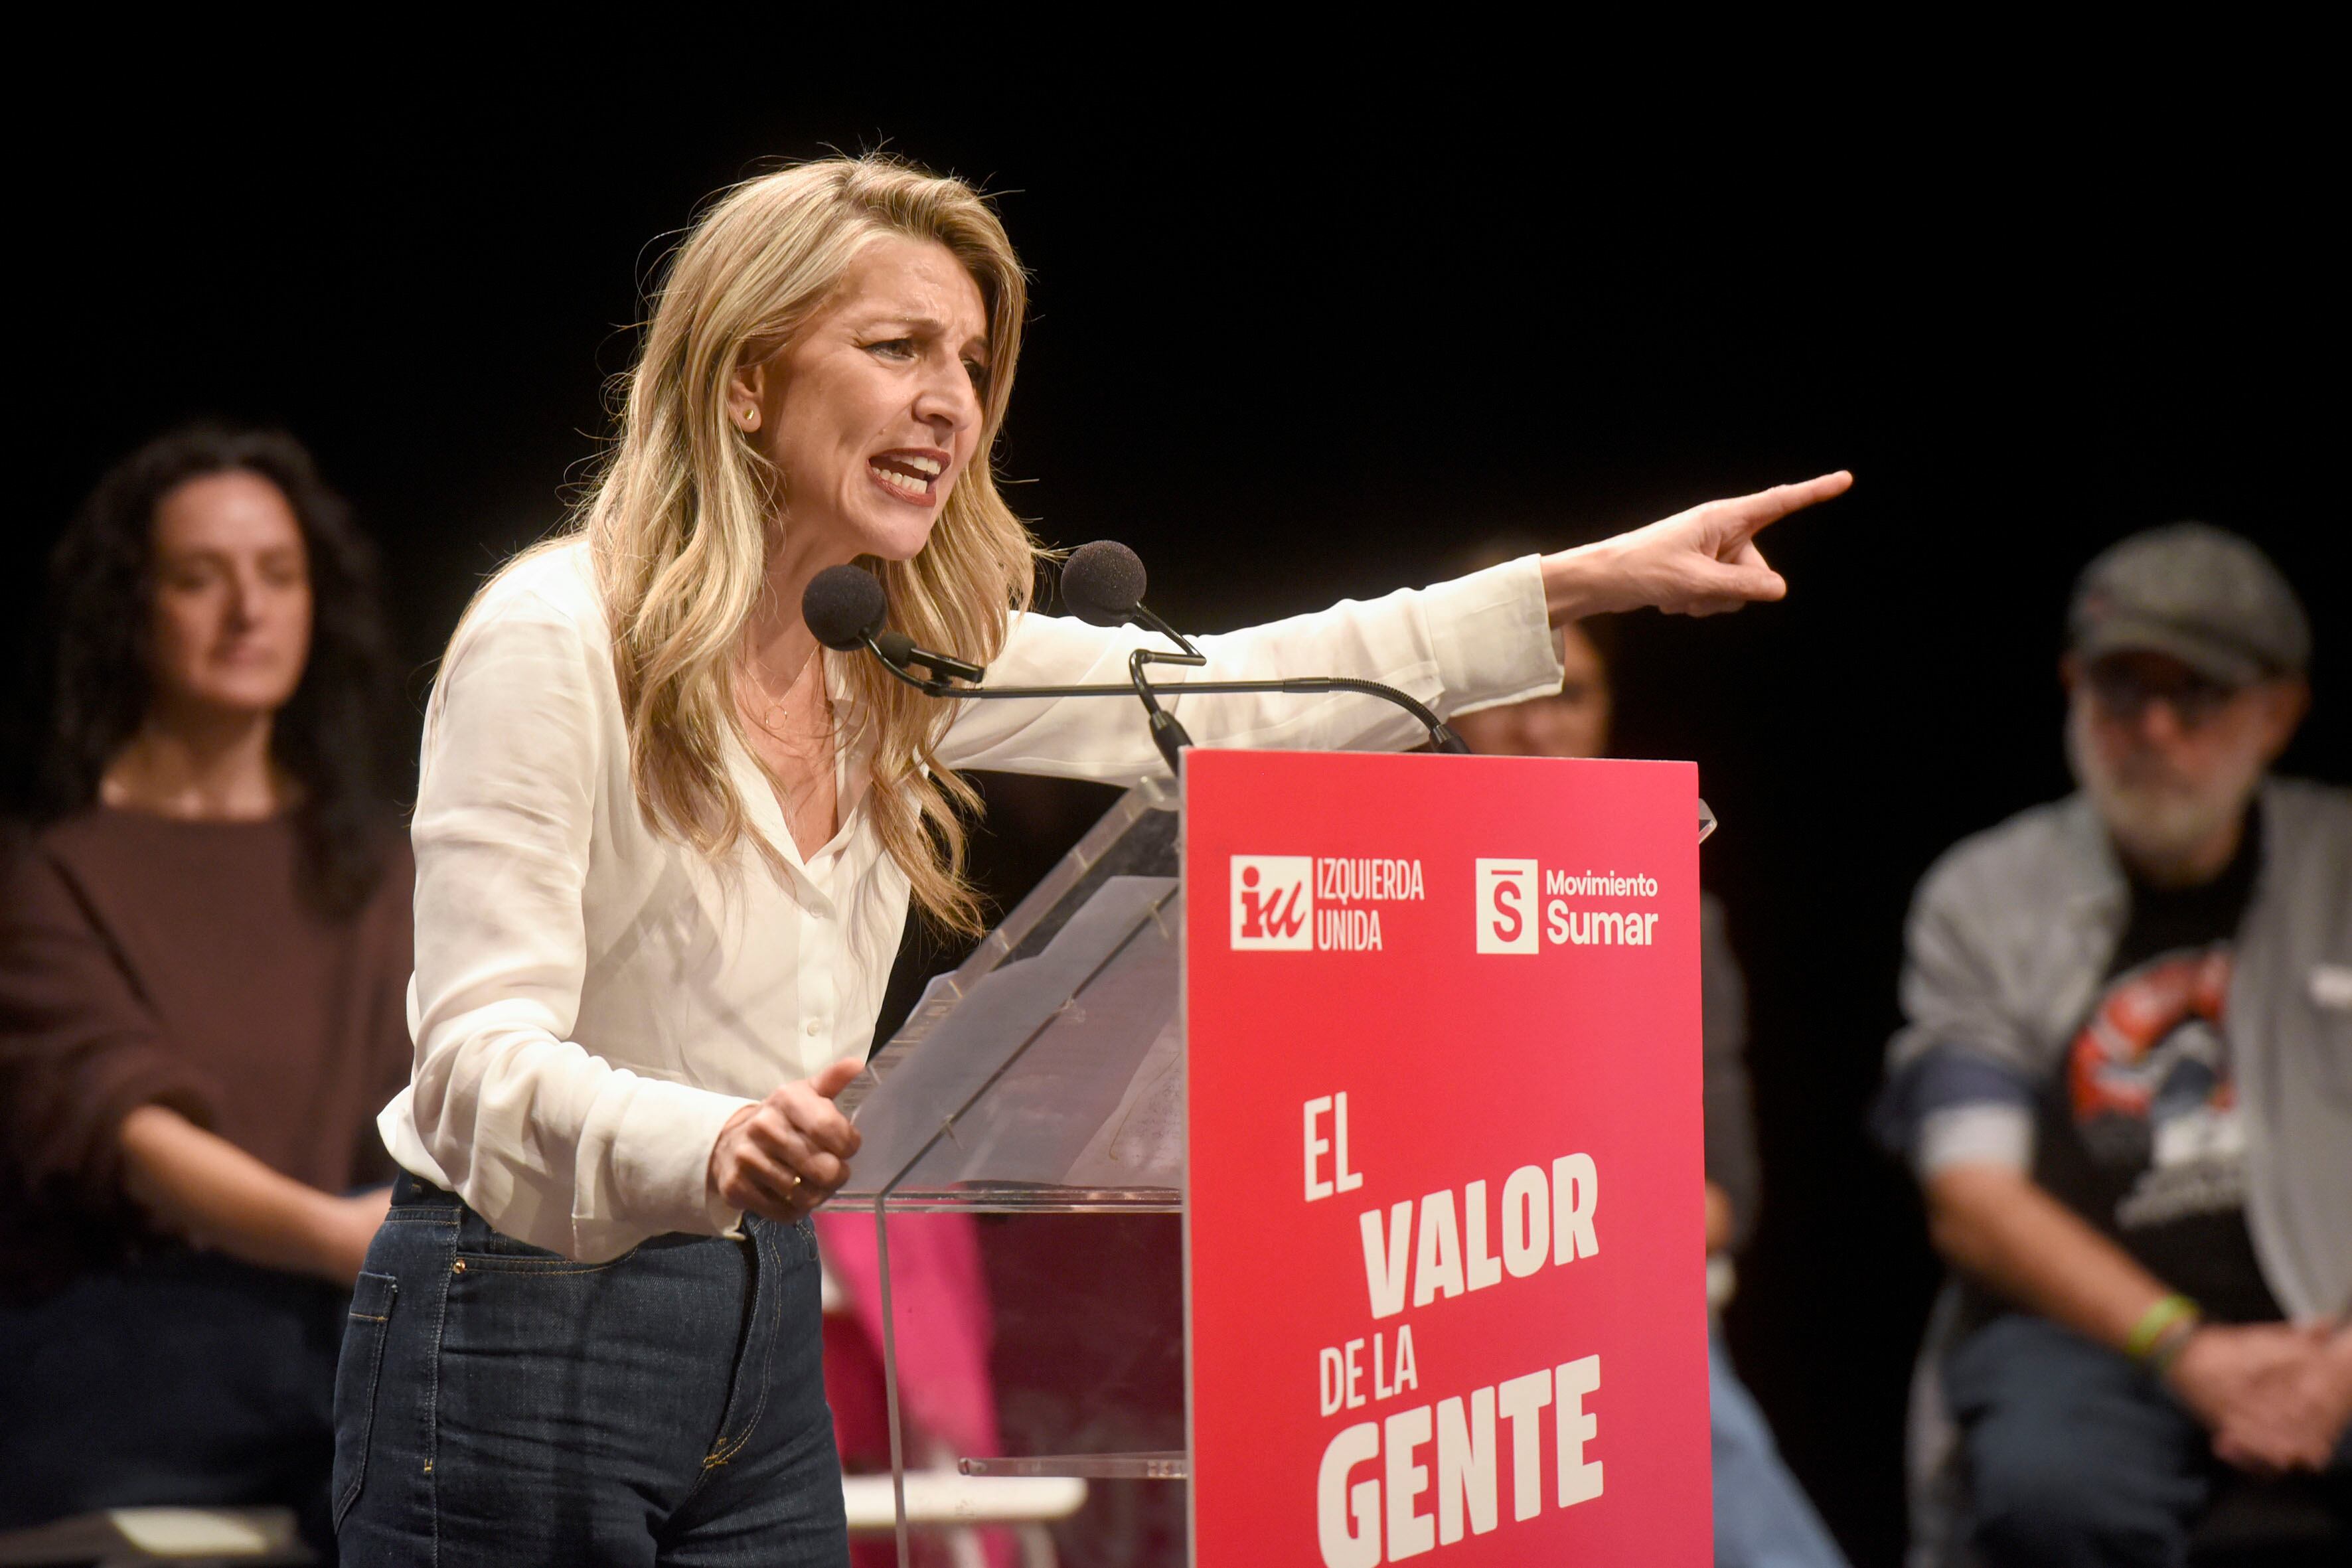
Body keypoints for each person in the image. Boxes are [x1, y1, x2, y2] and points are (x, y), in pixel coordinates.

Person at [333, 153, 1851, 1566]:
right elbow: (472, 1061)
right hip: (518, 1311)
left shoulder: (894, 656)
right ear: (742, 380)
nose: (951, 403)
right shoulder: (553, 641)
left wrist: (1584, 580)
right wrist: (712, 1136)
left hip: (764, 1310)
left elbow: (1240, 688)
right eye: (896, 348)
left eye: (972, 363)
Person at [1881, 523, 2352, 1565]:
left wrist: (2341, 1365)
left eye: (2198, 695)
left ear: (2279, 711)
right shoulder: (1983, 896)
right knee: (2048, 1493)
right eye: (2120, 689)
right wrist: (2185, 1348)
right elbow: (1971, 1193)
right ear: (2070, 686)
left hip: (2334, 1312)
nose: (2154, 730)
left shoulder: (2341, 864)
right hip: (2098, 1333)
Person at [0, 425, 413, 1555]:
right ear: (131, 605)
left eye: (279, 575)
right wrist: (344, 1238)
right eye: (200, 577)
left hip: (350, 1326)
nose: (249, 610)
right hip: (127, 1340)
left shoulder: (379, 868)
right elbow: (124, 1125)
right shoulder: (47, 866)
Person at [1452, 614, 1853, 1568]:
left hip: (1605, 1286)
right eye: (1513, 693)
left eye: (1572, 694)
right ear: (1452, 704)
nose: (1538, 726)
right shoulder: (1378, 898)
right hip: (1435, 1287)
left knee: (1669, 1389)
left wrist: (1575, 1237)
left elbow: (1725, 1196)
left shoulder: (1667, 907)